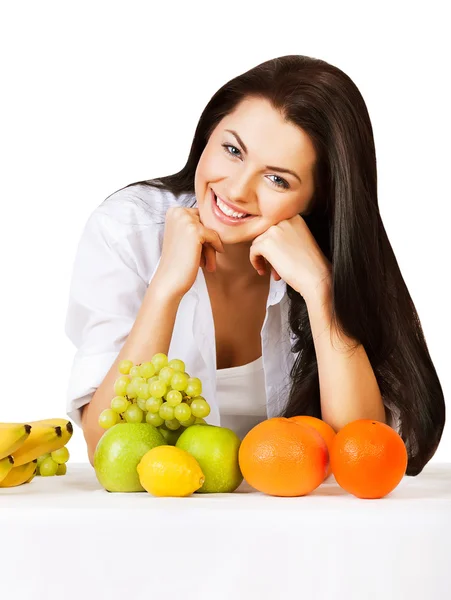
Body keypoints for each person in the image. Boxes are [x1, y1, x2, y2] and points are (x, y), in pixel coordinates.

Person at [65, 54, 445, 474]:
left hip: (296, 525)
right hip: (165, 518)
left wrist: (320, 290)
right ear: (207, 135)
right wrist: (166, 288)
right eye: (232, 150)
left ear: (319, 199)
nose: (237, 189)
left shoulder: (333, 257)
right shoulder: (127, 229)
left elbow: (360, 458)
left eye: (277, 179)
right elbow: (108, 449)